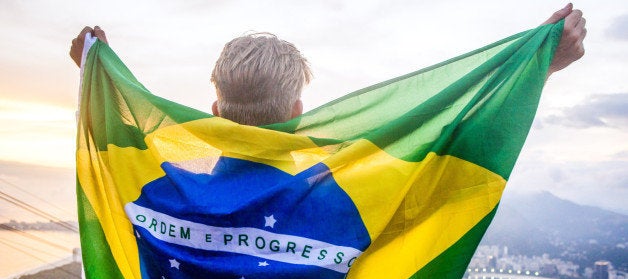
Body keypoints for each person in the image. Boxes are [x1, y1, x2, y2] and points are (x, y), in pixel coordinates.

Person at [70, 4, 586, 127]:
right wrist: (538, 69)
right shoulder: (344, 200)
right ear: (297, 109)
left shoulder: (162, 196)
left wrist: (93, 76)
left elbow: (116, 152)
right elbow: (454, 140)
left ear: (215, 109)